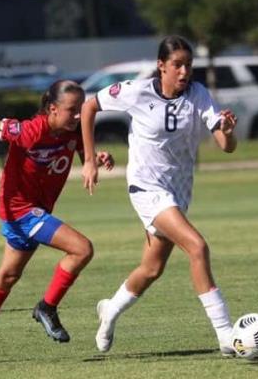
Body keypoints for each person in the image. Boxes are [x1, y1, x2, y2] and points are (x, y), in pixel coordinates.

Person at [81, 35, 239, 355]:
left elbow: (226, 146)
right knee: (197, 247)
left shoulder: (198, 94)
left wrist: (228, 131)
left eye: (188, 65)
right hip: (146, 186)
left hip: (179, 189)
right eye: (177, 65)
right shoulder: (136, 91)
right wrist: (88, 159)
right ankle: (225, 334)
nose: (184, 72)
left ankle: (110, 310)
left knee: (152, 269)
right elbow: (89, 106)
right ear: (161, 66)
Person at [0, 80, 115, 364]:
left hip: (35, 210)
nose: (79, 115)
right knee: (82, 249)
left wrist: (96, 158)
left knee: (8, 276)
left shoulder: (72, 131)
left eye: (81, 109)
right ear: (52, 109)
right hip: (21, 210)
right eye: (72, 110)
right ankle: (47, 307)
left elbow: (81, 153)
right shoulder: (29, 130)